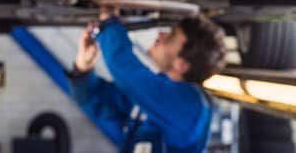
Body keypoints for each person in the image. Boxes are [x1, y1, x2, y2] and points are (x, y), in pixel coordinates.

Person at [68, 11, 226, 153]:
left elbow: (124, 69)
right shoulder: (151, 101)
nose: (161, 34)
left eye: (171, 37)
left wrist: (109, 21)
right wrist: (83, 67)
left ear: (182, 65)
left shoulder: (189, 105)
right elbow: (97, 101)